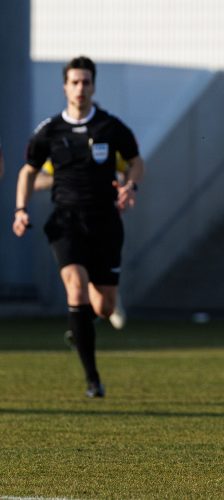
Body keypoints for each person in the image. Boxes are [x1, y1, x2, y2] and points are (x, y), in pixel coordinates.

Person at [12, 56, 144, 398]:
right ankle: (93, 381)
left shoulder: (111, 128)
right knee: (75, 285)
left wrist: (131, 185)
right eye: (74, 82)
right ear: (65, 87)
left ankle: (80, 324)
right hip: (65, 221)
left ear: (93, 86)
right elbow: (28, 171)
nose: (80, 88)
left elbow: (135, 162)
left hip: (105, 223)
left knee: (104, 308)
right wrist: (21, 209)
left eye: (86, 82)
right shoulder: (49, 130)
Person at [34, 155, 130, 331]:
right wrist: (67, 176)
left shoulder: (108, 145)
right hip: (71, 223)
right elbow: (37, 179)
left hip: (105, 224)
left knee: (103, 303)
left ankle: (107, 297)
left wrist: (125, 188)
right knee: (77, 275)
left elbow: (129, 169)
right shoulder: (64, 148)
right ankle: (80, 326)